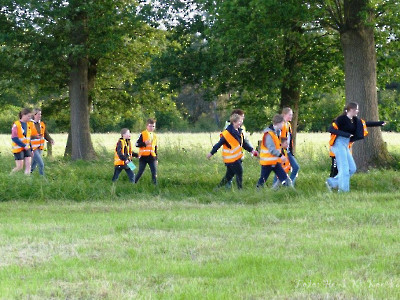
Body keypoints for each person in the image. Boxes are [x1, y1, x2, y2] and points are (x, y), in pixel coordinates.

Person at [207, 113, 258, 190]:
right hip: (230, 159)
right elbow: (218, 144)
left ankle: (217, 189)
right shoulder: (227, 134)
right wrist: (211, 153)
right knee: (239, 172)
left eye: (241, 121)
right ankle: (240, 190)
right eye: (239, 122)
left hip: (236, 158)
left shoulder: (239, 132)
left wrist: (252, 150)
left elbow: (243, 143)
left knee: (228, 176)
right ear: (234, 122)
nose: (240, 123)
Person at [325, 102, 365, 192]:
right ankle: (343, 191)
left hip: (346, 144)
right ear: (351, 110)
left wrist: (379, 123)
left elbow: (365, 124)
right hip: (338, 144)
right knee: (344, 168)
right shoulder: (341, 119)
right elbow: (331, 129)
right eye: (356, 109)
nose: (358, 111)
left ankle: (332, 182)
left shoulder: (354, 120)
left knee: (352, 168)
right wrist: (346, 134)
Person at [257, 114, 292, 189]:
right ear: (278, 123)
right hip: (267, 162)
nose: (283, 125)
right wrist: (281, 156)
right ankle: (257, 193)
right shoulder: (269, 134)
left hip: (275, 162)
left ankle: (291, 192)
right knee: (262, 180)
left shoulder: (276, 133)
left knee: (284, 177)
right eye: (282, 123)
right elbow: (272, 149)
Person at [222, 109, 254, 188]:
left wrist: (251, 149)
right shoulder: (229, 127)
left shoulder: (240, 127)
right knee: (236, 172)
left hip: (237, 154)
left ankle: (221, 188)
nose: (243, 119)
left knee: (230, 174)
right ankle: (237, 189)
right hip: (232, 155)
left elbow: (245, 140)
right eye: (242, 117)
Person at [30, 108, 54, 176]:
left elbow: (45, 134)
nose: (40, 116)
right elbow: (26, 135)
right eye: (38, 114)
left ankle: (27, 176)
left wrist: (50, 140)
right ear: (34, 115)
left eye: (40, 114)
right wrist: (35, 136)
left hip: (40, 147)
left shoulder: (42, 124)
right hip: (32, 148)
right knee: (41, 164)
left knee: (34, 165)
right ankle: (42, 179)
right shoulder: (29, 124)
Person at [135, 119, 158, 185]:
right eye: (150, 126)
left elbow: (155, 148)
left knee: (154, 172)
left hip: (152, 157)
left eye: (153, 126)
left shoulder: (155, 136)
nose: (152, 128)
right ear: (147, 126)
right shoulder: (142, 134)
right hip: (143, 157)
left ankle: (154, 185)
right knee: (141, 171)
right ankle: (134, 182)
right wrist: (144, 143)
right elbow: (136, 144)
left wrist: (156, 158)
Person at [280, 107, 300, 185]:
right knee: (281, 169)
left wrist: (291, 151)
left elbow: (289, 138)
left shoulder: (288, 125)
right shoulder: (281, 125)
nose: (291, 116)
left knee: (295, 167)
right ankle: (277, 188)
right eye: (290, 115)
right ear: (284, 114)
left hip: (288, 151)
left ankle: (289, 185)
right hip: (282, 151)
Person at [11, 108, 33, 175]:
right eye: (28, 116)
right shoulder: (16, 124)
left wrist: (31, 149)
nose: (29, 118)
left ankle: (27, 181)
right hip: (18, 148)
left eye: (30, 116)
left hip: (27, 148)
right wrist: (23, 145)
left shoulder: (29, 125)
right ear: (23, 115)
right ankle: (10, 176)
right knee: (19, 167)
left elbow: (29, 138)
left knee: (28, 165)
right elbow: (14, 138)